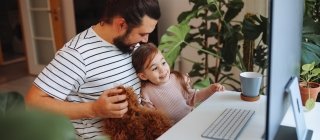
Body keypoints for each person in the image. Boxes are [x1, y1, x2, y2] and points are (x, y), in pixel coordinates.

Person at [24, 0, 161, 139]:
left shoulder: (131, 44)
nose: (145, 40)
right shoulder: (76, 54)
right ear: (121, 24)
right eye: (142, 33)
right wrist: (93, 109)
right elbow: (33, 103)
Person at [132, 43, 225, 124]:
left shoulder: (176, 79)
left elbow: (192, 97)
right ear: (143, 76)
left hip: (191, 119)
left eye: (163, 63)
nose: (162, 70)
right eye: (155, 68)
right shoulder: (147, 91)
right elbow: (152, 118)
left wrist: (210, 89)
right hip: (170, 131)